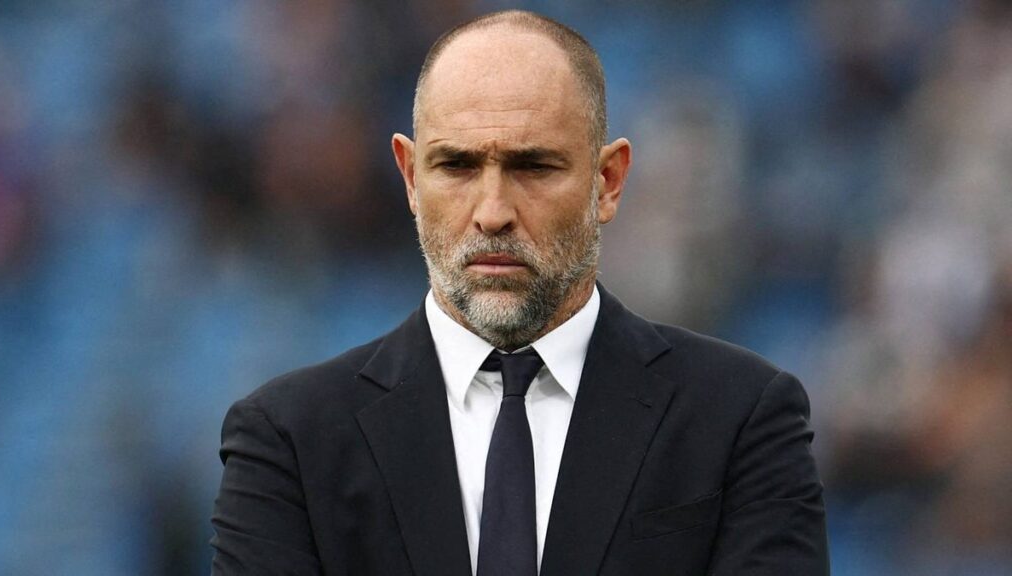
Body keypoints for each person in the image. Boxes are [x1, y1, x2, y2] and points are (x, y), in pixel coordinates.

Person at [210, 10, 829, 576]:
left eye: (534, 167)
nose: (493, 212)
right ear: (409, 178)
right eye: (456, 166)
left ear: (608, 181)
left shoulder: (740, 420)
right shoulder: (289, 441)